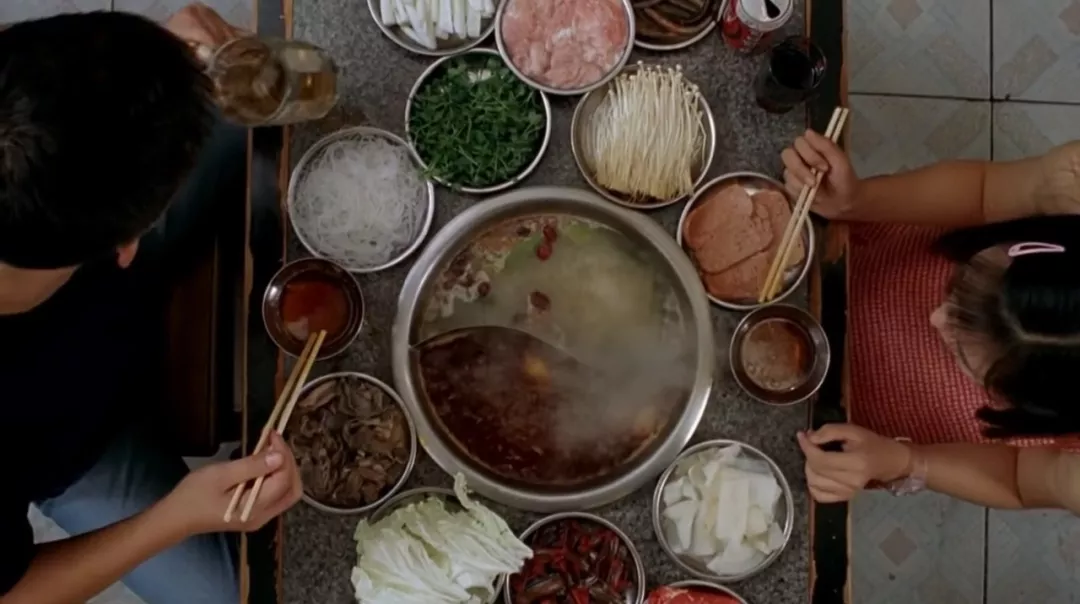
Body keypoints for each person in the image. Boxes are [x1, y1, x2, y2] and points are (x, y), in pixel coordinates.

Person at [0, 6, 301, 604]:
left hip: (96, 291)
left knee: (256, 80)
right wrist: (176, 517)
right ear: (128, 244)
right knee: (228, 595)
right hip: (73, 453)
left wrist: (152, 55)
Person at [780, 129, 1080, 513]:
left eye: (964, 355)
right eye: (962, 283)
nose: (934, 318)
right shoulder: (1073, 183)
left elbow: (1019, 481)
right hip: (855, 263)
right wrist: (858, 200)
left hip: (855, 415)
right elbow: (984, 193)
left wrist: (906, 461)